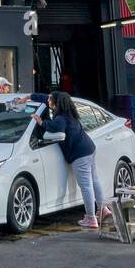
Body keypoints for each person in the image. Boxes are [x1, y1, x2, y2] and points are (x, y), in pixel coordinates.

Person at [40, 90, 110, 230]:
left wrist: (41, 122)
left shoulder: (60, 119)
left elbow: (54, 126)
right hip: (89, 148)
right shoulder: (70, 115)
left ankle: (91, 218)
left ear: (56, 103)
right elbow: (45, 99)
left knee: (85, 186)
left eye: (50, 100)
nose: (48, 101)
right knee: (94, 181)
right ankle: (103, 210)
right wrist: (28, 97)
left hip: (80, 154)